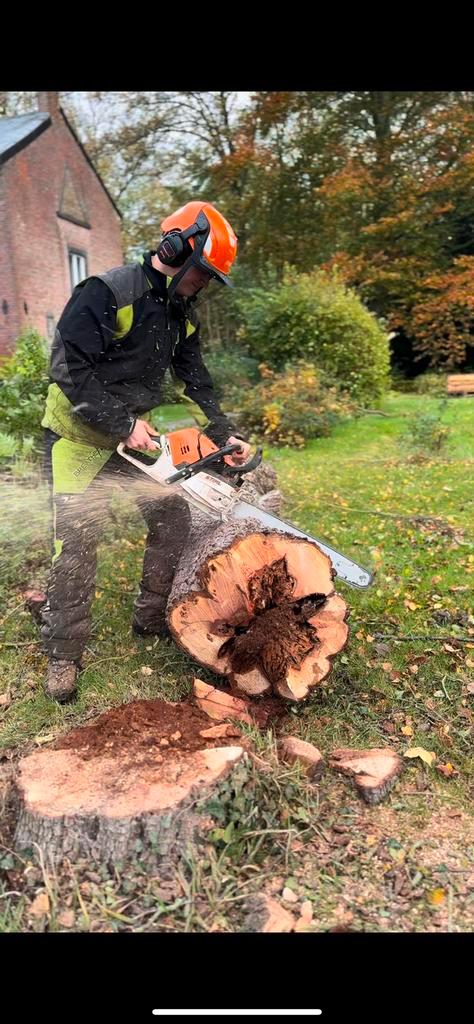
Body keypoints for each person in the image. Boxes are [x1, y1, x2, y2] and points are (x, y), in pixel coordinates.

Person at [40, 200, 250, 703]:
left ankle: (151, 614)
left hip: (132, 439)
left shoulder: (180, 313)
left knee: (172, 519)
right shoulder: (107, 293)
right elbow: (68, 369)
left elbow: (194, 376)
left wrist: (224, 434)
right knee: (76, 546)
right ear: (175, 250)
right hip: (79, 437)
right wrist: (120, 424)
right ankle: (64, 656)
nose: (201, 286)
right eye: (201, 275)